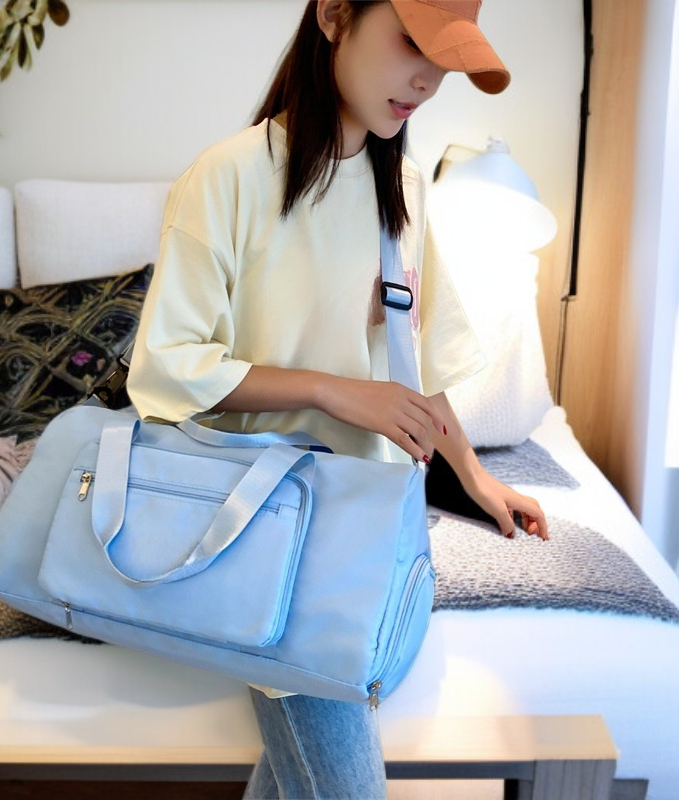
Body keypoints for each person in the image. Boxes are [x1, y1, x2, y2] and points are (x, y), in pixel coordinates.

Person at [127, 1, 549, 797]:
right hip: (270, 539)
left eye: (444, 60)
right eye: (411, 42)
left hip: (367, 537)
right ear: (333, 15)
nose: (426, 80)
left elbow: (415, 367)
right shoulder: (227, 178)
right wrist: (333, 393)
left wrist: (474, 477)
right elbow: (167, 369)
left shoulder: (405, 189)